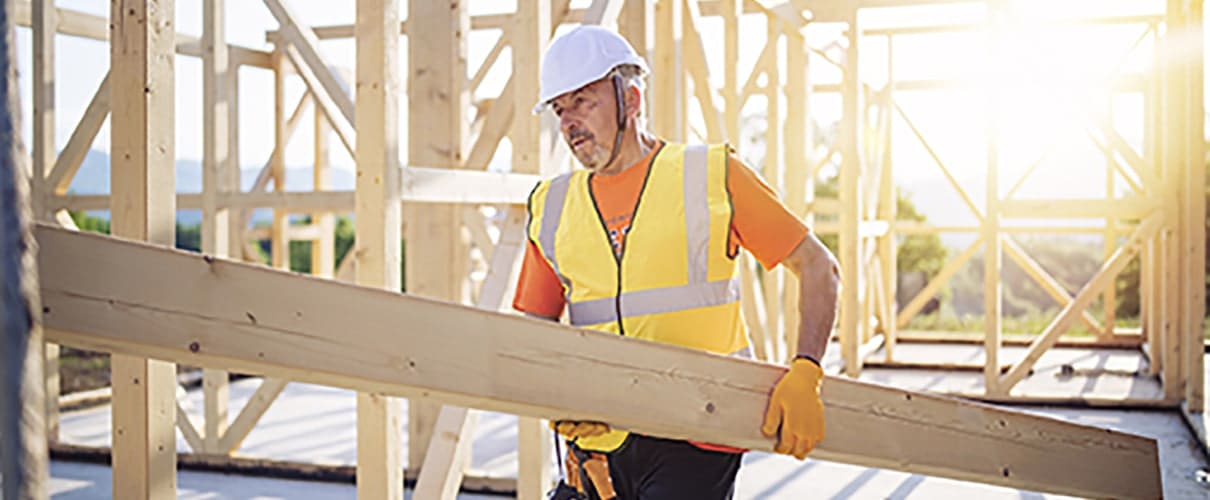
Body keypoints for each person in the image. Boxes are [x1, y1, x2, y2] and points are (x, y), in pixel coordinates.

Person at [514, 25, 840, 500]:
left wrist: (806, 370)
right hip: (594, 443)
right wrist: (555, 392)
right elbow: (530, 331)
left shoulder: (711, 175)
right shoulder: (551, 205)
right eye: (560, 110)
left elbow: (817, 267)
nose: (569, 123)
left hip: (695, 435)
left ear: (633, 97)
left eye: (582, 101)